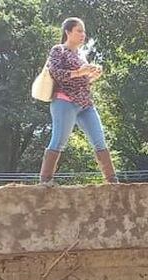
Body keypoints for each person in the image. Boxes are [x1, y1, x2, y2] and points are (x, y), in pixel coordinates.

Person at [38, 17, 118, 185]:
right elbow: (55, 73)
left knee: (99, 140)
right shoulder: (58, 50)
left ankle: (112, 181)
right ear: (68, 32)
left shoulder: (81, 55)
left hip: (85, 104)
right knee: (59, 140)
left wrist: (92, 76)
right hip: (64, 102)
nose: (83, 34)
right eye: (79, 31)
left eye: (84, 31)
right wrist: (79, 73)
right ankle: (45, 181)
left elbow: (83, 80)